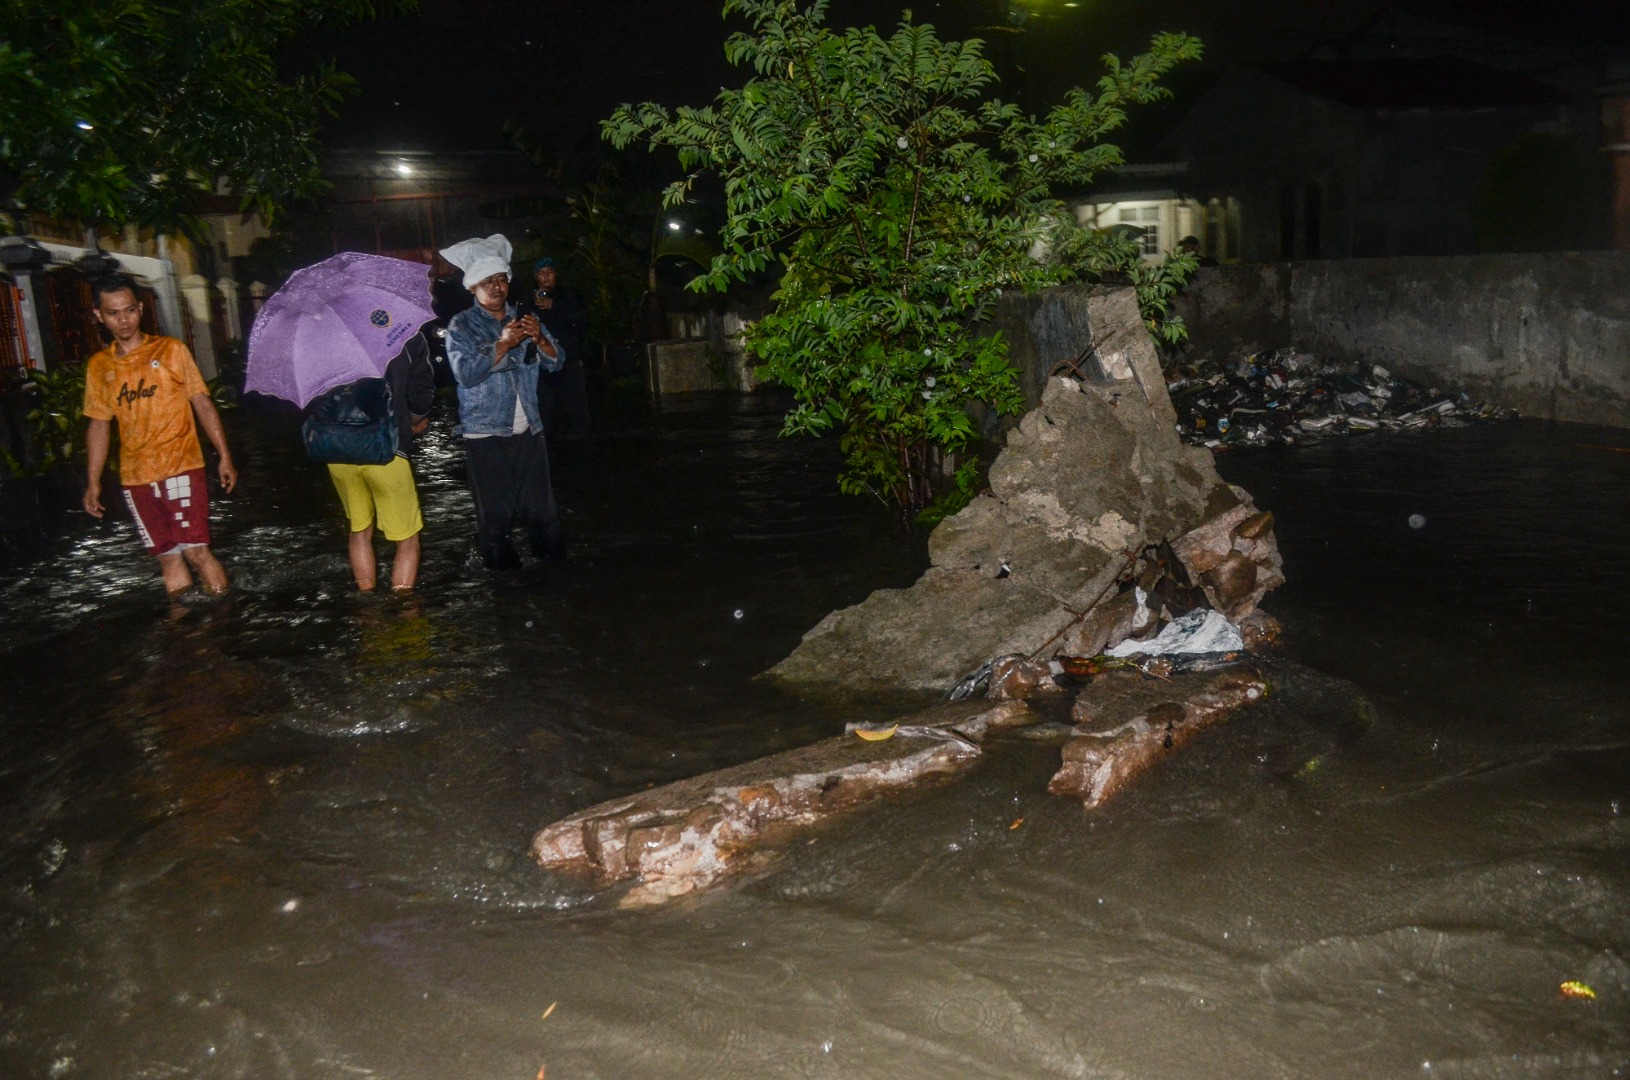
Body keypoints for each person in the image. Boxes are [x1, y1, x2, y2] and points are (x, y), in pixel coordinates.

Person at [81, 273, 238, 595]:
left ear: (141, 308)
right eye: (113, 313)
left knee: (196, 551)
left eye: (130, 310)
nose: (123, 320)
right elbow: (98, 424)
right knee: (167, 558)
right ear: (98, 316)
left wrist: (224, 455)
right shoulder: (99, 367)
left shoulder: (171, 351)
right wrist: (94, 481)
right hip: (136, 477)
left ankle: (225, 620)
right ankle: (185, 633)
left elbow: (202, 403)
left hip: (182, 466)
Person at [439, 234, 565, 569]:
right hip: (485, 434)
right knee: (495, 518)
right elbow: (465, 373)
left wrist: (539, 338)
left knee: (543, 514)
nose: (496, 287)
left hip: (529, 430)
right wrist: (503, 344)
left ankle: (557, 583)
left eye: (500, 279)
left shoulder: (524, 318)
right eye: (486, 281)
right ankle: (501, 590)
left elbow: (557, 361)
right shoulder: (461, 326)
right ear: (472, 288)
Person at [323, 330, 436, 592]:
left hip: (339, 450)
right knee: (407, 539)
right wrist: (415, 419)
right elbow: (422, 391)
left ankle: (367, 603)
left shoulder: (327, 336)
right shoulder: (406, 330)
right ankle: (404, 610)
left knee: (359, 530)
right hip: (386, 448)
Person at [522, 256, 591, 438]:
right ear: (535, 276)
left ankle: (585, 453)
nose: (546, 277)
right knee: (545, 414)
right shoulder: (528, 298)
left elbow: (582, 320)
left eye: (549, 272)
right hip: (542, 366)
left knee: (578, 414)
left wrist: (555, 305)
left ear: (556, 274)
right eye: (541, 273)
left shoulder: (569, 294)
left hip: (570, 363)